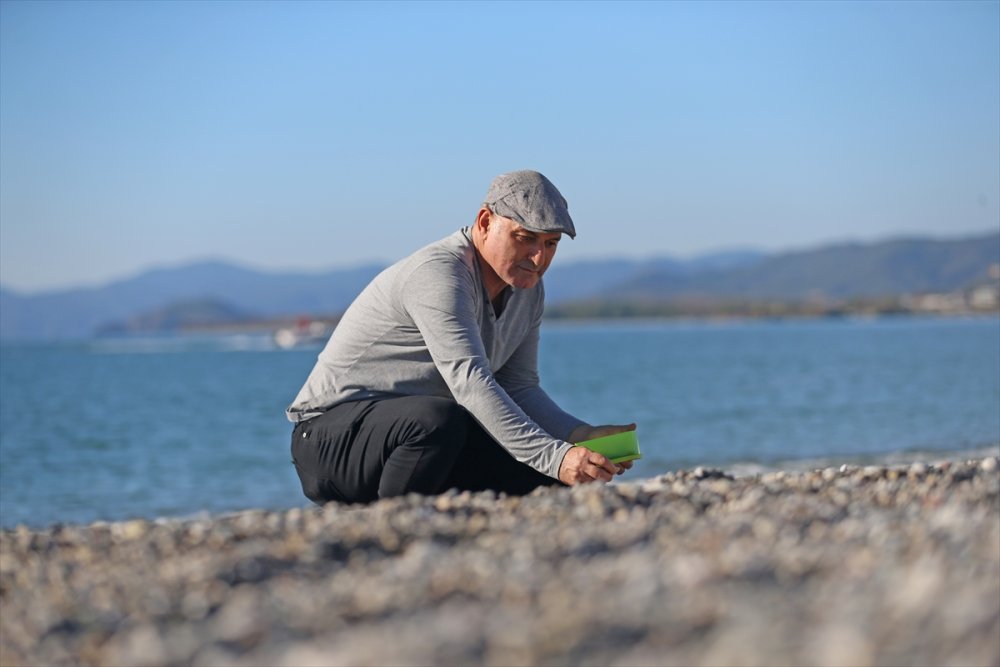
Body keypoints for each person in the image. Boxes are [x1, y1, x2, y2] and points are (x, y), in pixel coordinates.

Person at [286, 170, 636, 504]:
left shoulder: (528, 288)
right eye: (524, 238)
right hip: (326, 440)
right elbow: (470, 383)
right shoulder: (441, 273)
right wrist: (557, 456)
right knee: (440, 421)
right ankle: (389, 533)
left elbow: (519, 386)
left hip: (417, 437)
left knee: (547, 477)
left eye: (550, 243)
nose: (538, 257)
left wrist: (579, 437)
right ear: (485, 222)